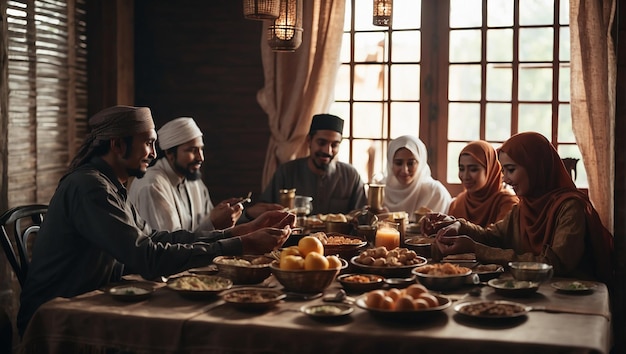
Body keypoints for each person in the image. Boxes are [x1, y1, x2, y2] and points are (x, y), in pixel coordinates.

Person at [17, 105, 295, 335]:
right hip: (58, 313)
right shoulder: (90, 188)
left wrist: (240, 233)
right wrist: (241, 245)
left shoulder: (111, 185)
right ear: (117, 145)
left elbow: (156, 238)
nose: (153, 152)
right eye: (149, 143)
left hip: (96, 300)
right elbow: (147, 257)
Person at [424, 132, 613, 283]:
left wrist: (476, 249)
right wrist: (458, 225)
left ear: (534, 167)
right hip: (532, 290)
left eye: (511, 170)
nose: (505, 178)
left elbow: (553, 264)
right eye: (503, 170)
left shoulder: (570, 208)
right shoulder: (524, 207)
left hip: (573, 296)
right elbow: (493, 237)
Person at [128, 117, 243, 231]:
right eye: (192, 150)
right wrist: (213, 224)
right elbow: (167, 246)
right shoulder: (151, 186)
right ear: (169, 153)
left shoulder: (194, 181)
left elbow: (206, 222)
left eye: (201, 149)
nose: (201, 158)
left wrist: (222, 213)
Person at [259, 113, 367, 215]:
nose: (327, 151)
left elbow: (361, 216)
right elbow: (265, 211)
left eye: (334, 145)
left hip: (339, 235)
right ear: (309, 140)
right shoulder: (286, 172)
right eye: (321, 143)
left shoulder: (351, 176)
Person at [447, 140, 519, 227]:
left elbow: (499, 238)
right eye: (462, 169)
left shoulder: (507, 203)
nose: (465, 176)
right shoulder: (457, 203)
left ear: (490, 170)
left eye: (473, 169)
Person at [383, 135, 451, 214]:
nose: (404, 170)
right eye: (398, 163)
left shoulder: (435, 192)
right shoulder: (381, 191)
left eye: (411, 163)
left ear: (420, 163)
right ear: (390, 164)